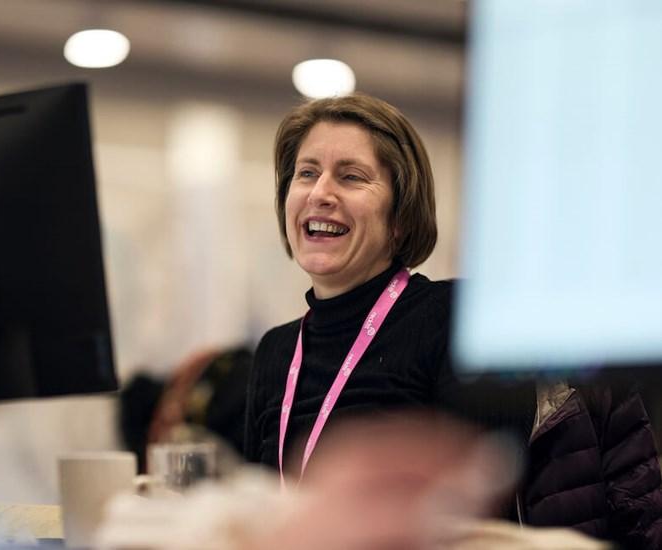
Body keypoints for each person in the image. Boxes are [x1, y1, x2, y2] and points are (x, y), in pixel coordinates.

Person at [241, 93, 662, 547]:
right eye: (307, 173)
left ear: (400, 217)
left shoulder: (452, 320)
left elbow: (482, 515)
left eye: (351, 176)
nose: (320, 193)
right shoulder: (276, 351)